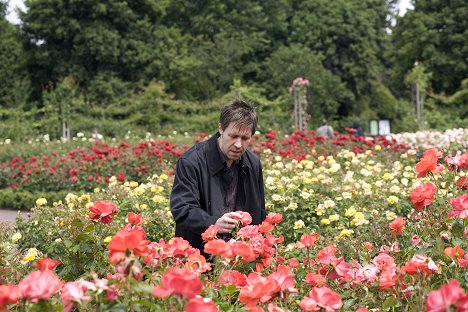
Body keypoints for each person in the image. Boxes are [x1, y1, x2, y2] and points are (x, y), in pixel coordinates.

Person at [170, 99, 267, 252]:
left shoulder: (253, 163)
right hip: (199, 256)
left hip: (240, 258)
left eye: (245, 138)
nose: (238, 145)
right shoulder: (191, 161)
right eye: (233, 136)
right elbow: (182, 208)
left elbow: (259, 211)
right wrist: (213, 223)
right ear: (220, 128)